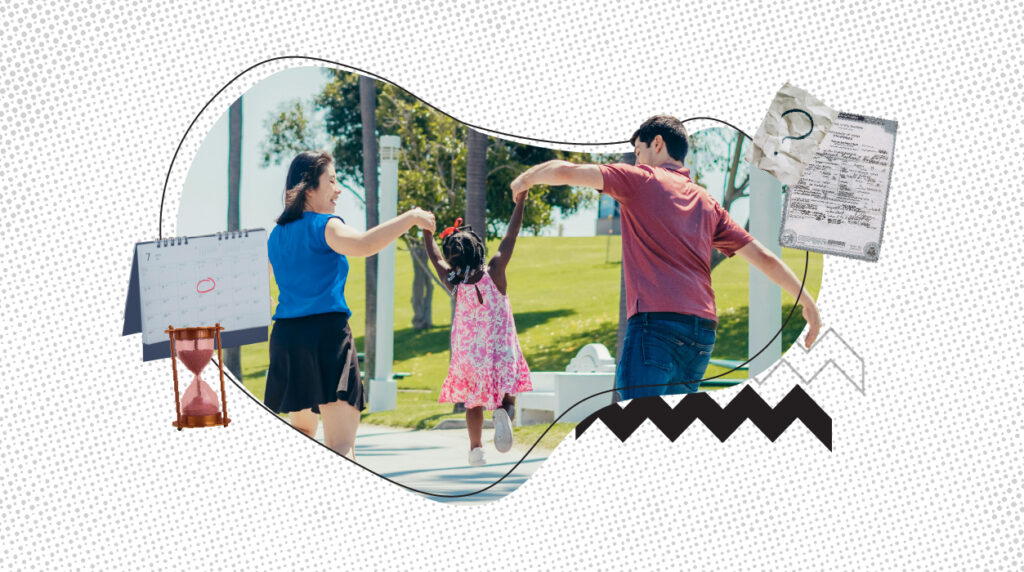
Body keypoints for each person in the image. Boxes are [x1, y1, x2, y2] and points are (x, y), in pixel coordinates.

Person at [510, 115, 821, 401]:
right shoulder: (707, 202)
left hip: (655, 328)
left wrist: (524, 180)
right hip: (702, 334)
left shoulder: (640, 179)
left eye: (638, 151)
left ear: (657, 143)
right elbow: (763, 256)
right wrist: (808, 302)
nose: (636, 159)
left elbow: (567, 171)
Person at [265, 150, 435, 459]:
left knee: (302, 432)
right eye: (331, 180)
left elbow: (258, 282)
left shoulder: (276, 235)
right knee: (341, 446)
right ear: (308, 188)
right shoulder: (325, 226)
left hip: (287, 339)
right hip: (326, 337)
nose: (338, 189)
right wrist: (411, 217)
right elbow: (364, 244)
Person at [422, 194, 532, 466]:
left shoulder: (454, 283)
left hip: (469, 356)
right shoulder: (495, 271)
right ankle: (504, 413)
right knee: (508, 393)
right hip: (500, 351)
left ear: (454, 262)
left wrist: (427, 231)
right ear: (478, 250)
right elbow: (510, 236)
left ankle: (476, 449)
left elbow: (435, 257)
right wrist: (520, 201)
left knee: (472, 403)